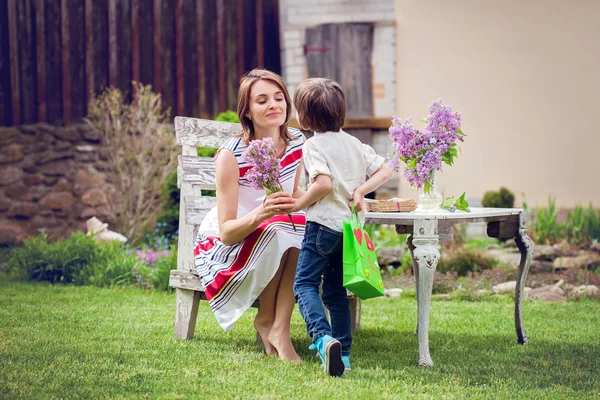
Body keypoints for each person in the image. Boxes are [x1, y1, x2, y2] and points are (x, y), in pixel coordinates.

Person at [193, 69, 306, 362]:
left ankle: (277, 326)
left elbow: (292, 199)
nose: (274, 105)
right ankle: (269, 322)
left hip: (277, 233)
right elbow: (227, 231)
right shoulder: (231, 155)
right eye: (262, 100)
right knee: (280, 228)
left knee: (302, 230)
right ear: (247, 111)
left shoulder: (296, 143)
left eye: (279, 98)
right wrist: (262, 211)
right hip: (228, 243)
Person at [291, 78, 393, 376]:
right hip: (348, 230)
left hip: (322, 226)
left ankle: (323, 340)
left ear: (305, 116)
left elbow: (322, 183)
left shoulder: (313, 146)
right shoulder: (353, 143)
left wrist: (299, 204)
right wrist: (361, 191)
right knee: (336, 293)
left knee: (304, 285)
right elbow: (386, 169)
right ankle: (344, 355)